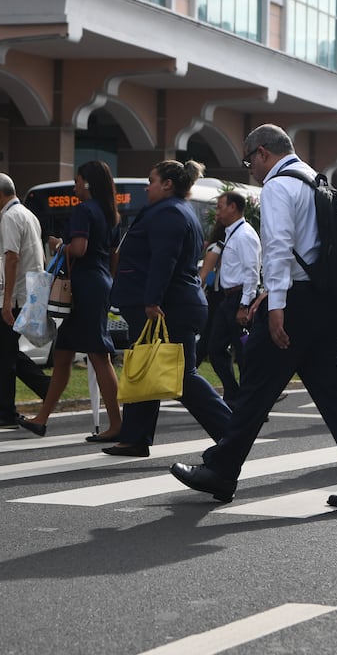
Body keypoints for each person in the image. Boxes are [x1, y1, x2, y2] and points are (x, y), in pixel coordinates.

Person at [170, 124, 337, 509]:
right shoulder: (314, 180)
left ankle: (220, 470)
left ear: (263, 152)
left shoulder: (279, 185)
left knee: (255, 389)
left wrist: (277, 306)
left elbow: (279, 248)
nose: (250, 168)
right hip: (327, 302)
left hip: (295, 305)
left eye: (249, 160)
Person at [102, 159, 233, 457]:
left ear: (167, 184)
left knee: (182, 376)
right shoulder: (174, 210)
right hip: (170, 303)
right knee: (146, 365)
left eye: (151, 181)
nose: (147, 187)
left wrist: (152, 300)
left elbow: (165, 260)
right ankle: (134, 438)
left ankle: (233, 432)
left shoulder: (170, 212)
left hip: (168, 305)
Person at [19, 161, 123, 441]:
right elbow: (114, 255)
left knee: (99, 355)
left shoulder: (84, 210)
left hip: (84, 286)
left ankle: (116, 424)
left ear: (87, 183)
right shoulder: (111, 213)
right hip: (99, 282)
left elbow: (79, 248)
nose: (74, 187)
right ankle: (41, 418)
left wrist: (58, 245)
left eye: (77, 181)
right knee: (63, 353)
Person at [0, 172, 52, 428]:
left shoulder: (10, 217)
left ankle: (6, 412)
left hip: (16, 295)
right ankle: (47, 388)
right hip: (31, 291)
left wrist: (7, 300)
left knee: (2, 355)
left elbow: (11, 258)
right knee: (5, 349)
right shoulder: (29, 215)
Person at [203, 190, 262, 408]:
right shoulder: (231, 234)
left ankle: (250, 401)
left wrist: (244, 305)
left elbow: (251, 273)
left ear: (233, 207)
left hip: (240, 297)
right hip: (227, 298)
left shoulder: (244, 235)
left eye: (220, 207)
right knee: (215, 348)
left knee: (244, 350)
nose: (217, 213)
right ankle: (233, 393)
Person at [196, 220, 226, 368]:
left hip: (216, 298)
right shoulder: (230, 246)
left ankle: (189, 371)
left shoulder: (216, 248)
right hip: (231, 296)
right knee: (240, 337)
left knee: (207, 340)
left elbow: (205, 276)